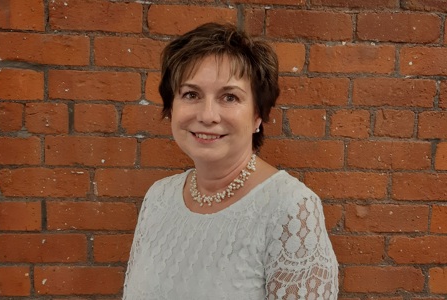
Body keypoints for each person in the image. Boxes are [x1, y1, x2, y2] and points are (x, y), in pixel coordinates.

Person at [122, 23, 338, 299]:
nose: (208, 115)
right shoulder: (159, 198)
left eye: (229, 97)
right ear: (171, 107)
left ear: (257, 116)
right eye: (191, 94)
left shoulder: (290, 209)